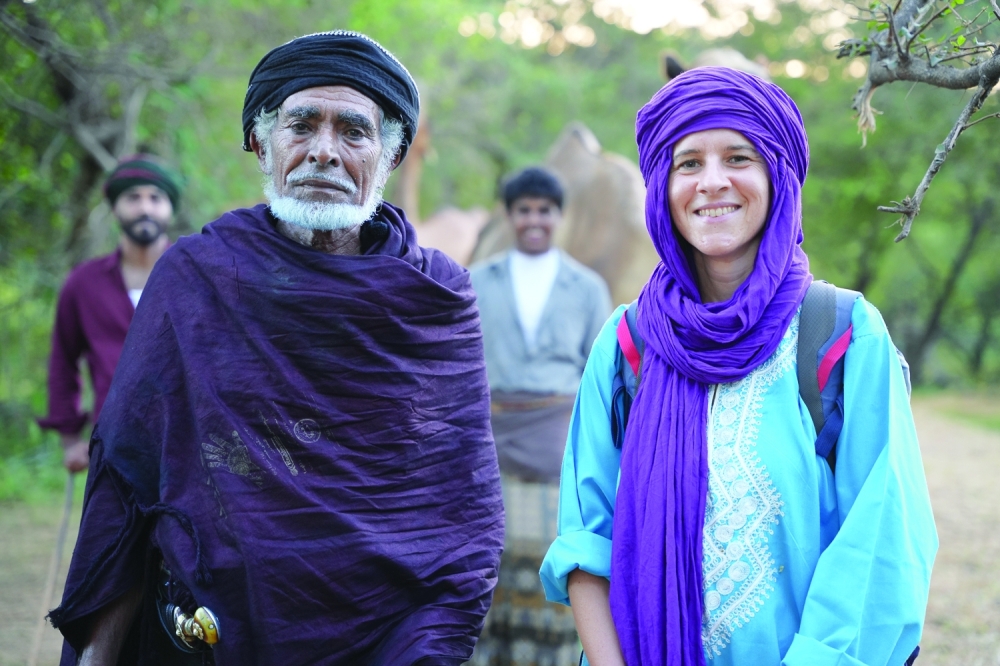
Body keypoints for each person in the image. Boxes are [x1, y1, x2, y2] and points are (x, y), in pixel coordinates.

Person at [50, 31, 504, 666]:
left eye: (353, 131)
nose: (324, 151)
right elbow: (130, 478)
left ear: (391, 154)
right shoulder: (198, 276)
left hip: (386, 640)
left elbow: (460, 507)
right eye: (301, 125)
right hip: (207, 635)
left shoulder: (435, 298)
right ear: (262, 143)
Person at [539, 67, 938, 665]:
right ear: (661, 186)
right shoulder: (628, 343)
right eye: (688, 163)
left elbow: (879, 545)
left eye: (738, 157)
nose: (712, 182)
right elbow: (585, 542)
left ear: (778, 175)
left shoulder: (844, 335)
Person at [469, 167, 611, 665]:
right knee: (487, 566)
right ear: (509, 216)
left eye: (544, 211)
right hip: (490, 450)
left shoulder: (587, 287)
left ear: (558, 216)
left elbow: (601, 380)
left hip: (559, 450)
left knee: (557, 565)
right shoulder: (476, 282)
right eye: (524, 210)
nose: (534, 220)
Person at [38, 155, 180, 473]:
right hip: (112, 447)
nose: (145, 208)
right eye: (133, 197)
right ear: (115, 207)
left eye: (155, 198)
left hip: (188, 446)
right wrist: (70, 439)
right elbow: (63, 362)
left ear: (170, 208)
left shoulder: (196, 276)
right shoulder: (83, 284)